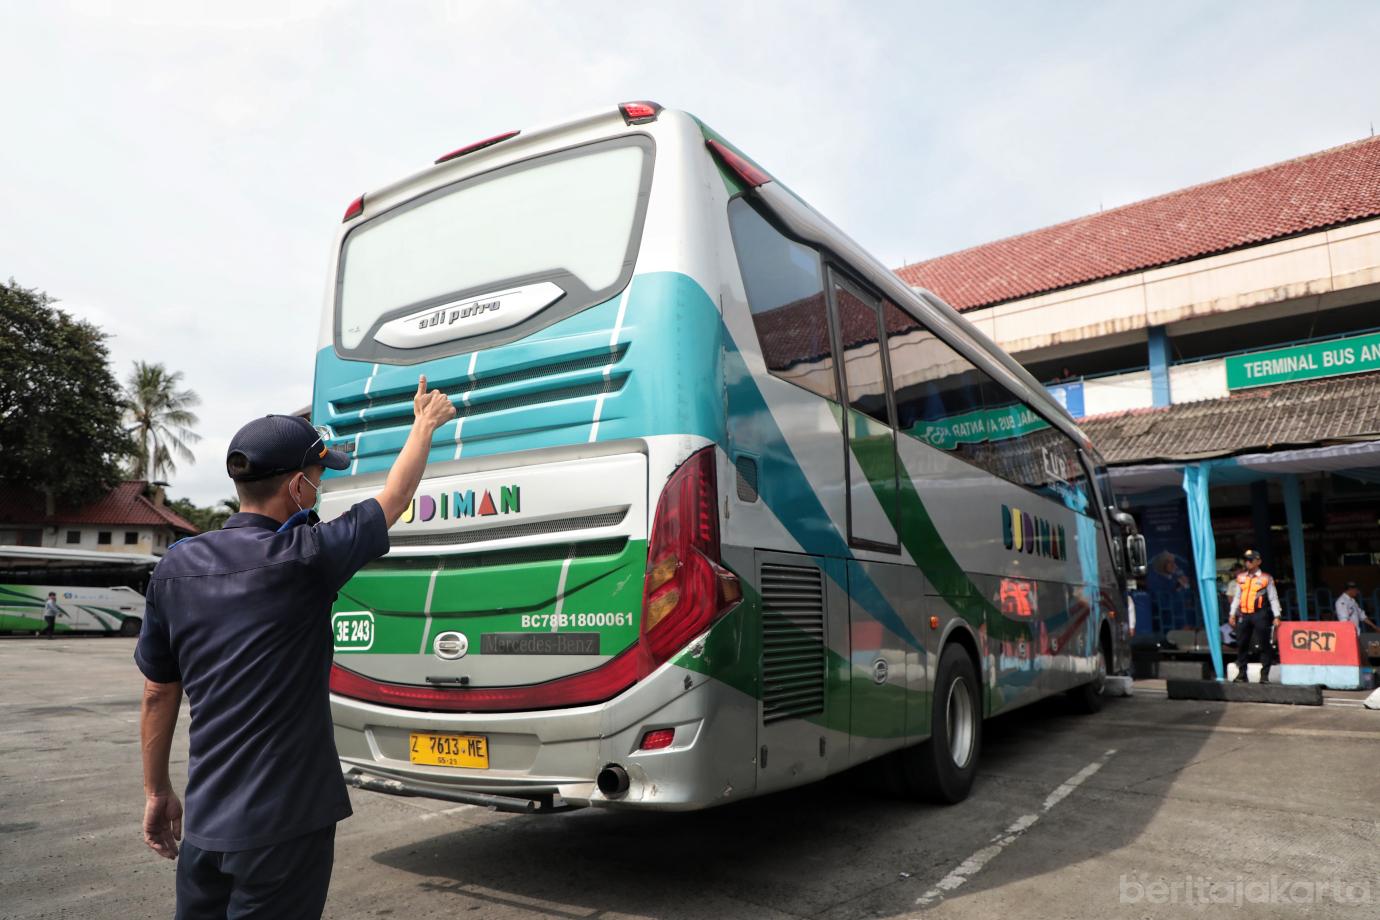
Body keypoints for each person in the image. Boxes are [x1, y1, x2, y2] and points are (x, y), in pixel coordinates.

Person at [136, 376, 456, 920]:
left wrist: (156, 790)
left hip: (206, 827)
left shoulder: (175, 567)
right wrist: (424, 424)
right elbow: (395, 498)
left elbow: (156, 693)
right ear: (297, 487)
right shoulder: (307, 557)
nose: (320, 489)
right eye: (319, 477)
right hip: (285, 827)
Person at [1228, 549, 1281, 683]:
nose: (1248, 563)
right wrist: (1232, 613)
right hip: (1244, 614)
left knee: (1264, 643)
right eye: (1246, 560)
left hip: (1260, 614)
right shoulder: (1241, 577)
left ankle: (1264, 675)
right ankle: (1242, 674)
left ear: (1258, 562)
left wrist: (1277, 615)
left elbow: (1273, 598)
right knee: (1242, 643)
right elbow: (1237, 597)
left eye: (1250, 560)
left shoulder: (1266, 578)